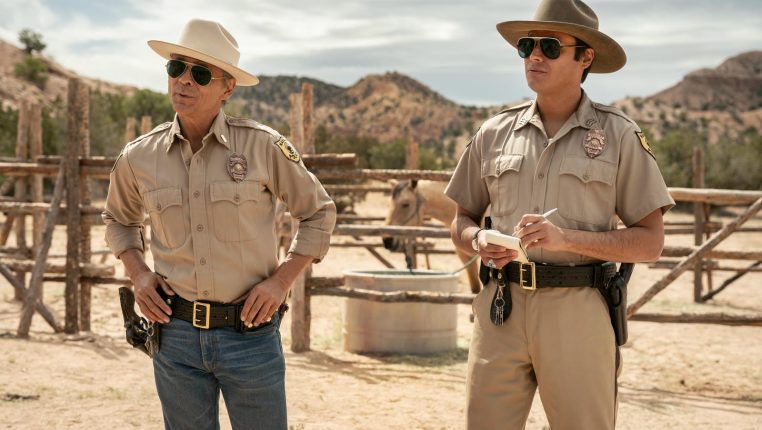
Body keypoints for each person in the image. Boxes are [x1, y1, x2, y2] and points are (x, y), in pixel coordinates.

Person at [445, 0, 675, 428]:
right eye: (527, 46)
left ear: (585, 57)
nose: (535, 55)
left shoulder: (618, 135)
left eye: (550, 46)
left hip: (578, 313)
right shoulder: (494, 133)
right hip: (500, 310)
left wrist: (565, 239)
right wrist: (479, 240)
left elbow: (650, 242)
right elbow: (461, 220)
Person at [102, 19, 336, 429]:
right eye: (177, 67)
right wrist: (138, 274)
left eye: (200, 73)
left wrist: (280, 282)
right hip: (174, 335)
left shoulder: (263, 146)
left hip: (250, 334)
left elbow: (319, 212)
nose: (184, 80)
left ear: (227, 88)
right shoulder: (139, 156)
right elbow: (118, 219)